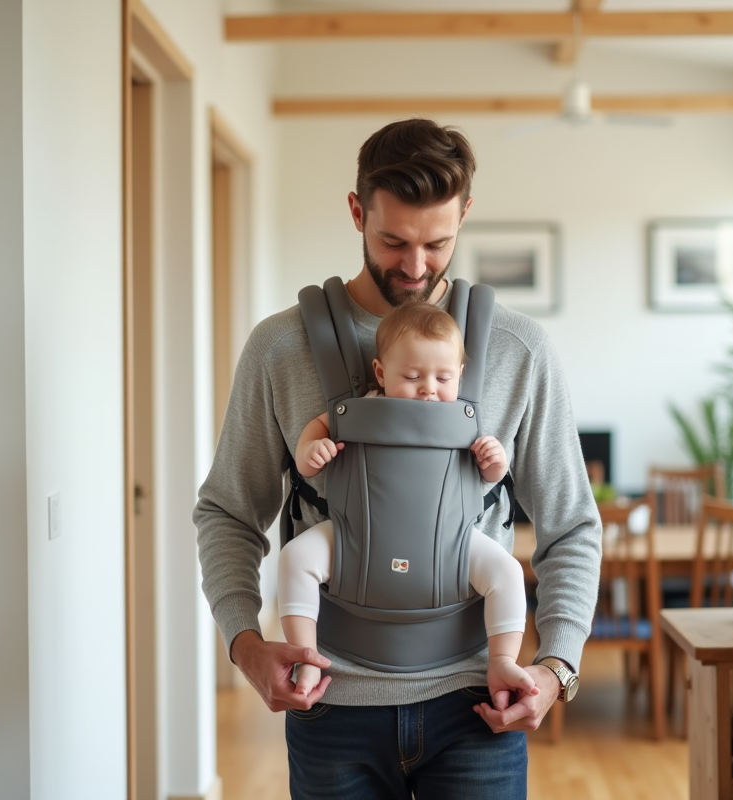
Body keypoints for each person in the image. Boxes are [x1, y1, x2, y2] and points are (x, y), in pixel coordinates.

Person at [194, 118, 601, 799]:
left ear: (465, 214)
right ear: (357, 211)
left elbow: (571, 526)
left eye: (438, 243)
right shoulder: (281, 349)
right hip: (330, 703)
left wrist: (557, 667)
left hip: (478, 706)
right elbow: (229, 512)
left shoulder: (518, 350)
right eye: (393, 242)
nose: (415, 267)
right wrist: (246, 644)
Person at [281, 301, 534, 710]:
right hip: (353, 535)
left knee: (506, 569)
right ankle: (305, 657)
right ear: (381, 372)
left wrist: (495, 460)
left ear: (462, 376)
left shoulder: (464, 416)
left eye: (443, 377)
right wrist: (309, 449)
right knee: (295, 559)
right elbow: (322, 425)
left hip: (453, 542)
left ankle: (503, 659)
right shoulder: (361, 403)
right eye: (412, 376)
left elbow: (487, 478)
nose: (429, 389)